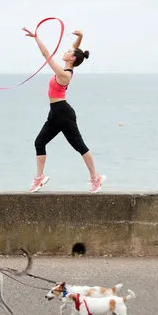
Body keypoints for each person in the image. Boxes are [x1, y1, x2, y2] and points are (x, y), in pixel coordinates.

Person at [22, 27, 106, 193]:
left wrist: (36, 37)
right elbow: (76, 52)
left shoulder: (65, 74)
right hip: (55, 112)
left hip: (64, 114)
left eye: (68, 51)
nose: (65, 51)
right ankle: (39, 178)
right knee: (39, 142)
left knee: (80, 146)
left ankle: (95, 178)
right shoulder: (68, 65)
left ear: (72, 58)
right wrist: (80, 37)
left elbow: (47, 55)